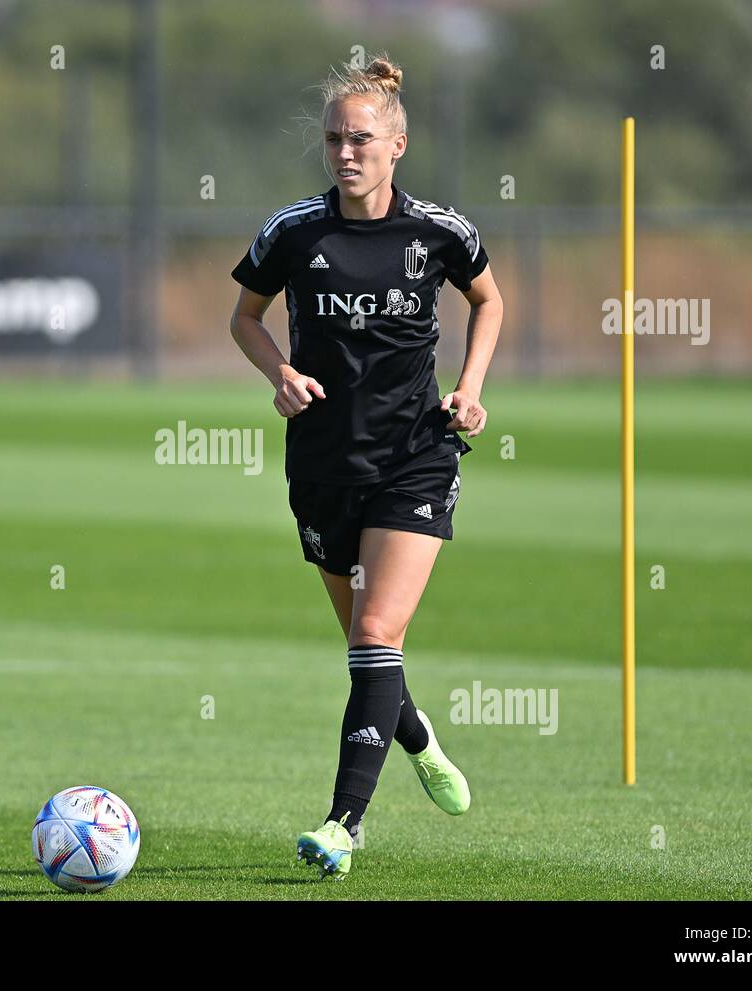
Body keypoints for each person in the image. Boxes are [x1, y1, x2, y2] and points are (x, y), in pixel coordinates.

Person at [227, 53, 504, 880]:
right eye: (334, 140)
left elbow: (489, 299)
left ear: (398, 145)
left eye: (361, 140)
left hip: (416, 455)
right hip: (320, 462)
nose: (345, 154)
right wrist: (278, 370)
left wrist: (470, 388)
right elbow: (244, 316)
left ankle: (342, 824)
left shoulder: (440, 232)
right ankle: (415, 736)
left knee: (379, 631)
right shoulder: (292, 231)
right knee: (364, 642)